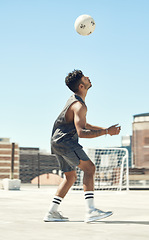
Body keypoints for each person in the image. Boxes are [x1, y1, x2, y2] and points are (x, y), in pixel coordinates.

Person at [44, 70, 121, 223]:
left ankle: (52, 212)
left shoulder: (74, 101)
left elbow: (85, 124)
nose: (88, 78)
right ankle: (91, 211)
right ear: (81, 86)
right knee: (90, 168)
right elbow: (82, 132)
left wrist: (107, 131)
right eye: (85, 78)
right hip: (66, 142)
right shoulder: (79, 105)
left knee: (70, 177)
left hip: (56, 142)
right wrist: (106, 131)